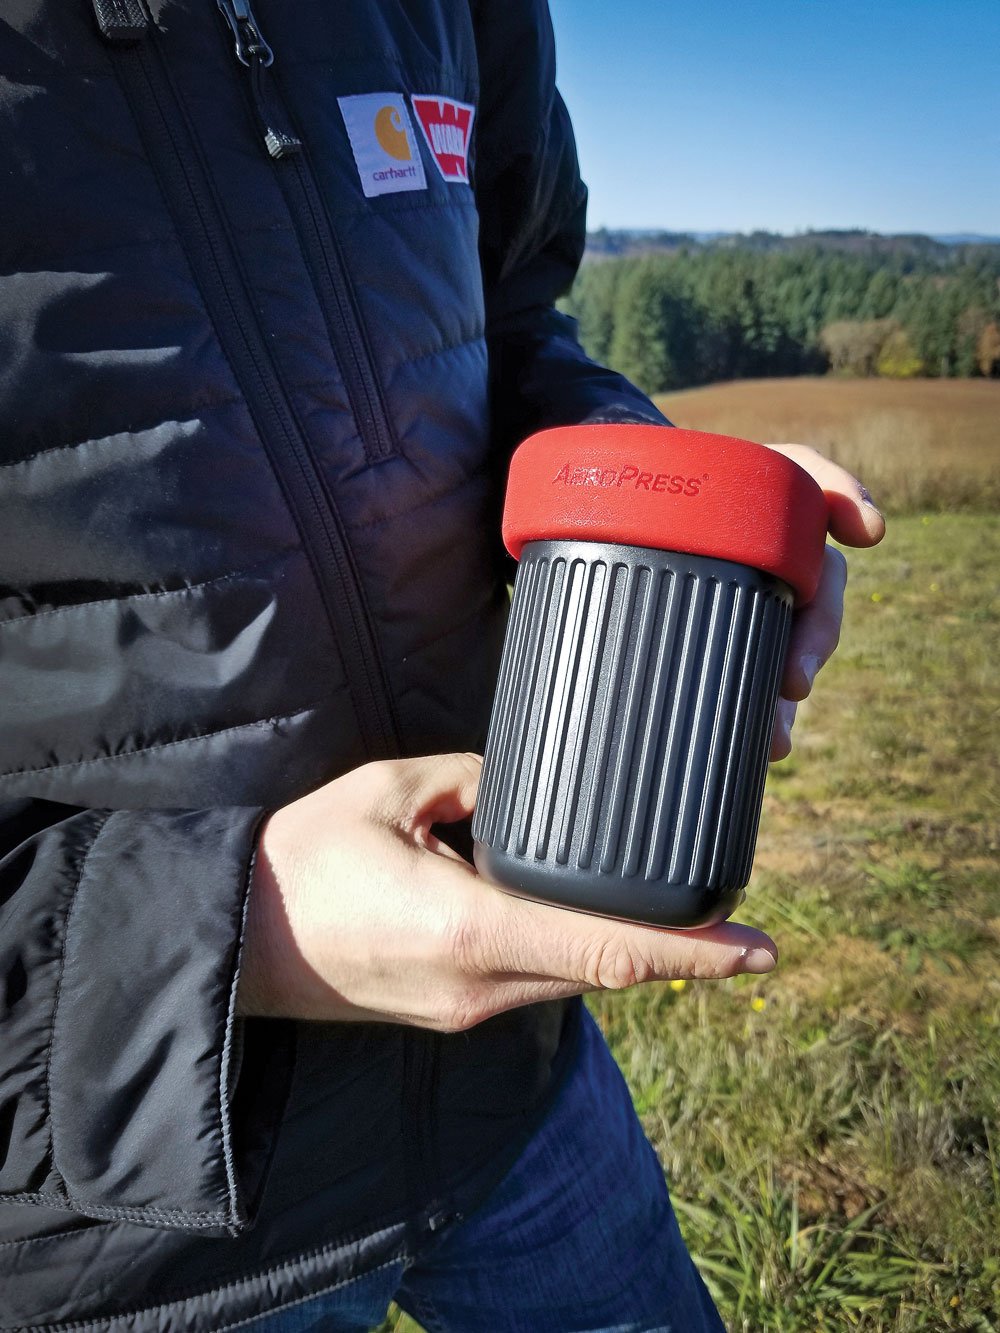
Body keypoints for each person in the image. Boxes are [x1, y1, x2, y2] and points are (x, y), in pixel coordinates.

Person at [0, 1, 884, 1329]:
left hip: (513, 1101)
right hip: (127, 1222)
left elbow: (515, 310)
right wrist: (241, 932)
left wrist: (660, 494)